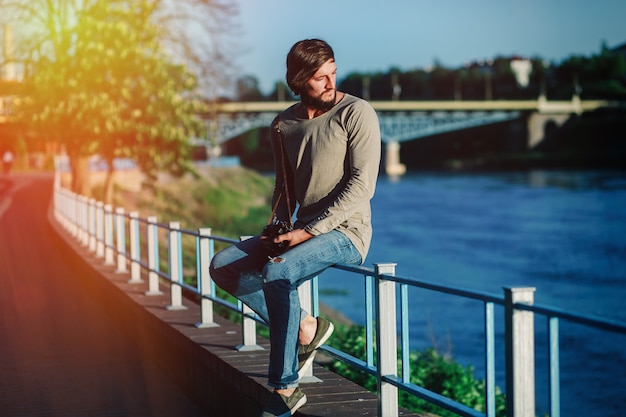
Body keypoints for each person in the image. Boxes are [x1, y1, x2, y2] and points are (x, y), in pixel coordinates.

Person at [209, 38, 380, 417]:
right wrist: (277, 227)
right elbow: (284, 187)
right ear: (300, 80)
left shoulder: (357, 113)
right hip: (301, 228)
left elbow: (362, 187)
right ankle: (305, 328)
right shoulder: (283, 124)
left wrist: (307, 232)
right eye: (320, 78)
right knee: (223, 265)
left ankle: (285, 388)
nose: (330, 83)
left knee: (277, 272)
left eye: (333, 74)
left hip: (347, 232)